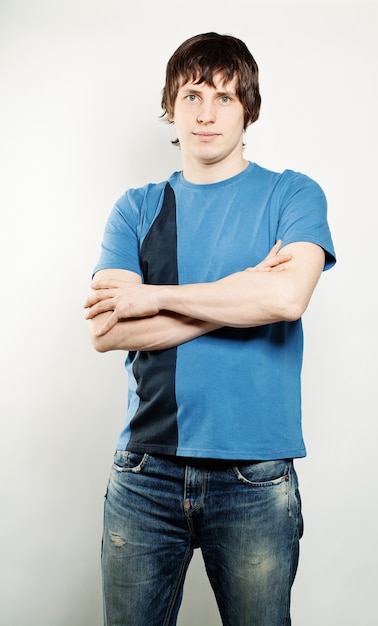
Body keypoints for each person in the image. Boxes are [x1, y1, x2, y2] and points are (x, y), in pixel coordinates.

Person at [84, 32, 336, 626]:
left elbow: (286, 296)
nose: (206, 112)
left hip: (254, 473)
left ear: (248, 108)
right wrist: (240, 291)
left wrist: (151, 296)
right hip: (146, 469)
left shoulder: (291, 193)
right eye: (193, 94)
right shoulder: (138, 207)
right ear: (171, 104)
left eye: (224, 97)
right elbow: (106, 330)